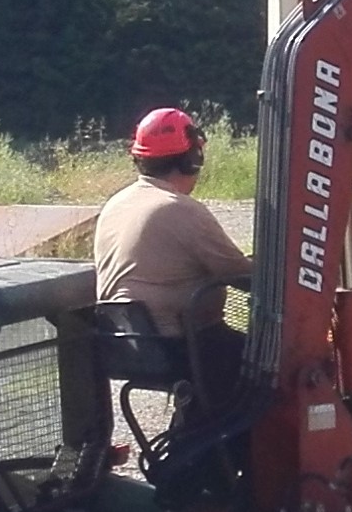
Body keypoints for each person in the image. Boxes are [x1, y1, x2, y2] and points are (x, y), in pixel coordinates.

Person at [93, 107, 251, 406]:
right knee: (270, 367)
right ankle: (238, 450)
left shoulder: (116, 203)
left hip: (131, 346)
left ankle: (199, 437)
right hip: (181, 346)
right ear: (192, 160)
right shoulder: (179, 209)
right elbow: (243, 276)